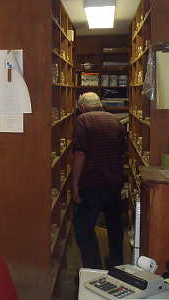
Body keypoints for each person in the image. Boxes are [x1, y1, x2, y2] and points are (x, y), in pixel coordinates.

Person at [72, 92, 126, 270]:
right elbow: (121, 152)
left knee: (84, 228)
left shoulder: (83, 120)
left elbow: (80, 153)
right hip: (114, 182)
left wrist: (75, 186)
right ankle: (116, 265)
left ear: (82, 107)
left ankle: (93, 270)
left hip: (92, 182)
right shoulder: (115, 120)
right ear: (99, 104)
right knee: (114, 225)